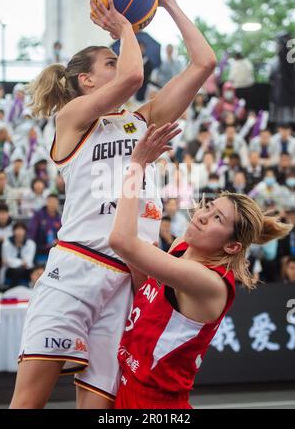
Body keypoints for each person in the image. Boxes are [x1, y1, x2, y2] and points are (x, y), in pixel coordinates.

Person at [10, 0, 216, 410]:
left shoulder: (140, 120)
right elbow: (132, 77)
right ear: (86, 81)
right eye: (109, 61)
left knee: (101, 406)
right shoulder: (72, 120)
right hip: (77, 269)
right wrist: (126, 26)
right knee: (29, 399)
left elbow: (204, 64)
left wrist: (168, 3)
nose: (118, 62)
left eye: (117, 56)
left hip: (128, 277)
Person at [109, 123, 292, 409]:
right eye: (210, 207)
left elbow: (121, 240)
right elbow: (148, 291)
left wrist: (136, 165)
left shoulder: (209, 283)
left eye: (218, 218)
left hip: (156, 405)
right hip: (123, 383)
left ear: (232, 246)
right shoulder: (184, 244)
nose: (204, 215)